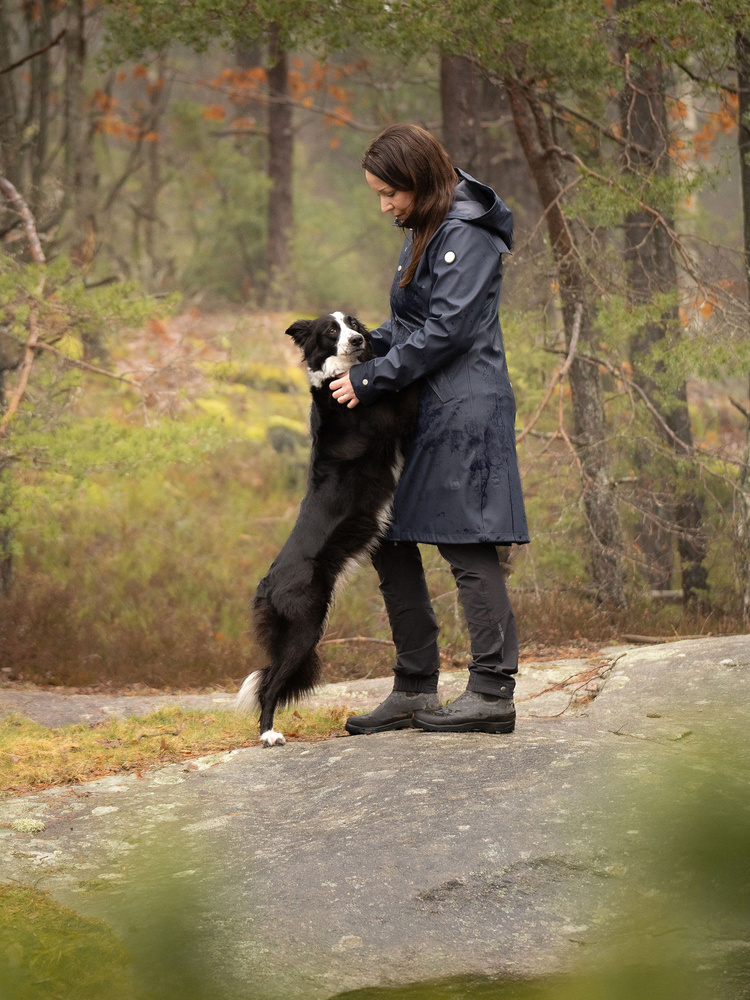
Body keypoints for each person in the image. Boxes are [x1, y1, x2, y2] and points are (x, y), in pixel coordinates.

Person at [330, 123, 529, 735]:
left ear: (418, 181)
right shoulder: (428, 228)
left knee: (468, 544)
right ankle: (415, 686)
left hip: (464, 407)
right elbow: (411, 321)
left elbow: (448, 331)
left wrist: (372, 380)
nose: (384, 205)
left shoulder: (463, 234)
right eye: (378, 194)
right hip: (428, 406)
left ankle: (493, 691)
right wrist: (361, 344)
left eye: (390, 193)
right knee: (389, 538)